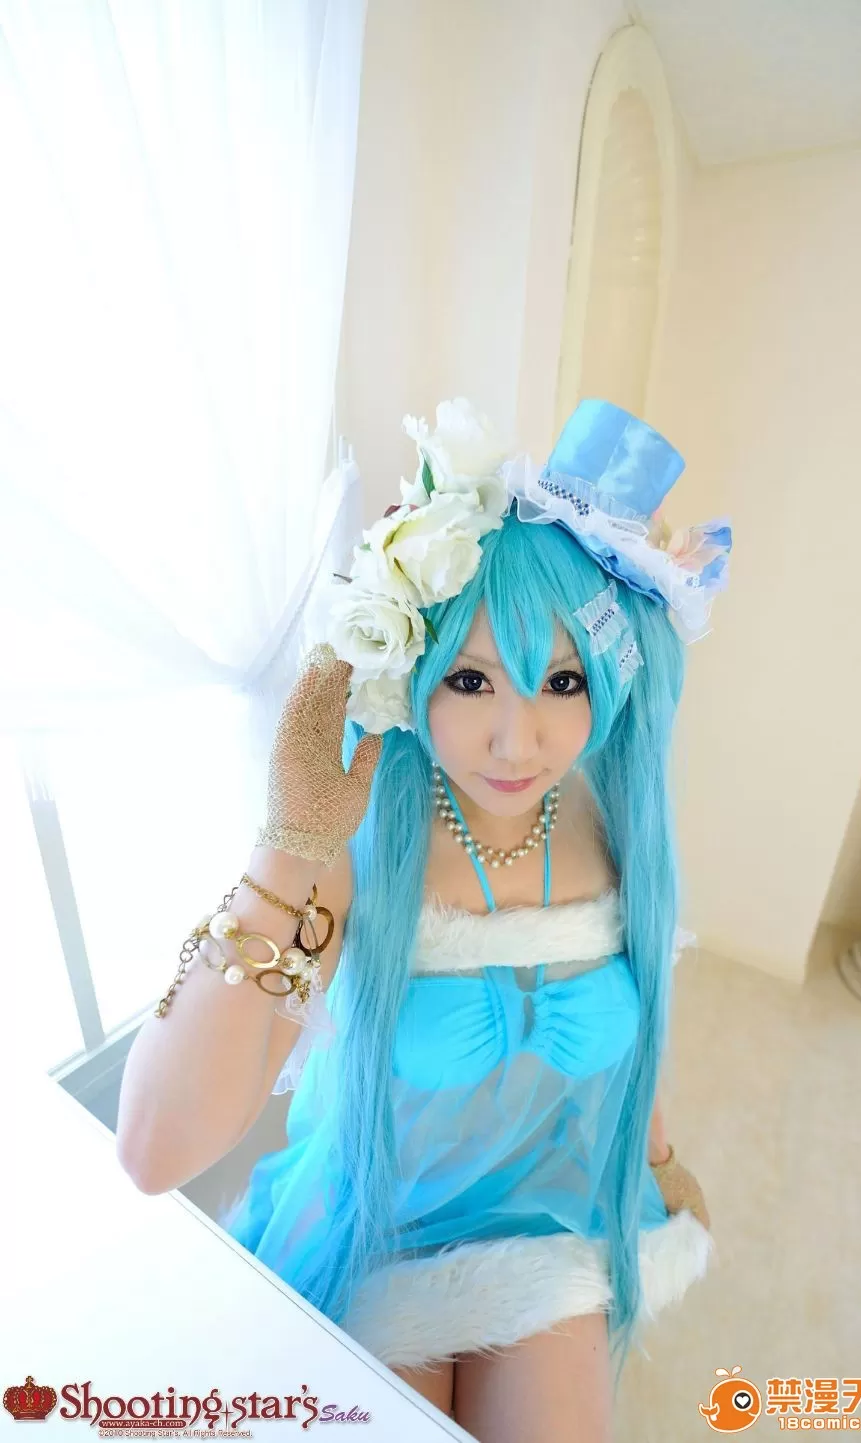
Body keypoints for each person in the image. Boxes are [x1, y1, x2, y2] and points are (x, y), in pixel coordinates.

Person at [117, 397, 732, 1443]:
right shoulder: (365, 848)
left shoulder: (612, 821)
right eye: (470, 678)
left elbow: (639, 1034)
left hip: (549, 1224)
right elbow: (152, 1151)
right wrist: (290, 847)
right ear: (408, 667)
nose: (517, 741)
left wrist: (660, 1156)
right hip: (378, 1235)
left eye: (563, 680)